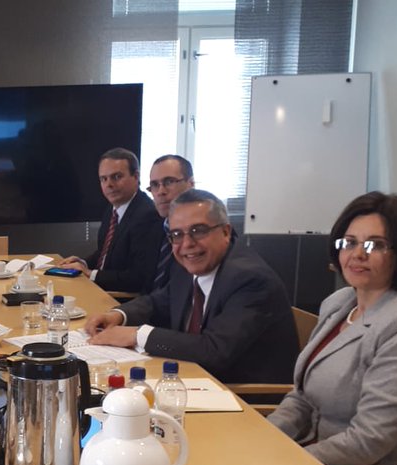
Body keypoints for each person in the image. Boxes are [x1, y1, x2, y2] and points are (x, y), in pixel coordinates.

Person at [269, 192, 397, 465]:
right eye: (349, 242)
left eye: (375, 245)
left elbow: (369, 440)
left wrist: (287, 461)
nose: (358, 254)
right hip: (319, 462)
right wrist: (266, 437)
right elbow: (303, 398)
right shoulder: (339, 303)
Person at [84, 189, 298, 384]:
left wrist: (137, 335)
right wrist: (118, 315)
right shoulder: (188, 264)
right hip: (196, 379)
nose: (187, 244)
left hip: (242, 397)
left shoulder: (250, 279)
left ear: (225, 232)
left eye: (198, 230)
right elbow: (159, 301)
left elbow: (214, 350)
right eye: (177, 234)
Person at [61, 147, 163, 293]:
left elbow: (138, 278)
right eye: (104, 179)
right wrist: (83, 263)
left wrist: (90, 274)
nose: (109, 184)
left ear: (136, 176)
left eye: (116, 177)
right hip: (102, 289)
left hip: (120, 297)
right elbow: (105, 252)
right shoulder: (112, 208)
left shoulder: (147, 215)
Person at [145, 154, 195, 291]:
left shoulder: (206, 232)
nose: (160, 191)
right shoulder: (152, 227)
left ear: (191, 184)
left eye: (169, 182)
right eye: (155, 185)